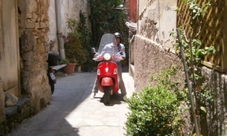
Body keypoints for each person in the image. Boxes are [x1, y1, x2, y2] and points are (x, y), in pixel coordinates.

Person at [92, 32, 127, 99]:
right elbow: (102, 54)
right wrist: (98, 56)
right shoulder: (107, 46)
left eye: (118, 39)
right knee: (99, 76)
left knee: (119, 79)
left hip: (116, 64)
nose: (117, 40)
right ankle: (94, 92)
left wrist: (122, 57)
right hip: (106, 63)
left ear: (120, 40)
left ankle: (124, 94)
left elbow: (123, 54)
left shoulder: (121, 46)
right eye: (115, 39)